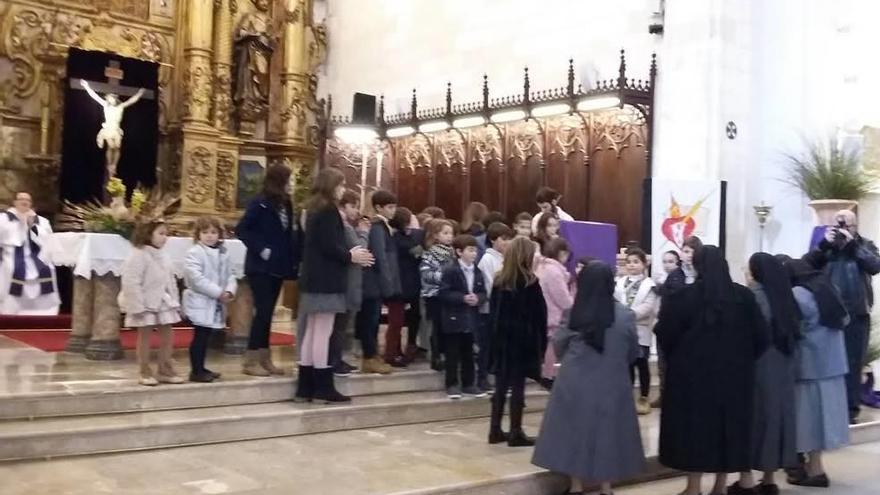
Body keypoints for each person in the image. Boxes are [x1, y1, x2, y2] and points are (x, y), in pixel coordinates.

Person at [655, 246, 770, 495]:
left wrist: (682, 360)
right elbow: (762, 337)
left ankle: (693, 487)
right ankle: (720, 485)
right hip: (735, 378)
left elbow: (665, 334)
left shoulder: (684, 297)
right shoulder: (744, 297)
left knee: (694, 431)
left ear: (696, 265)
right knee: (727, 431)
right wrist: (743, 361)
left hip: (693, 379)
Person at [533, 261, 646, 495]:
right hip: (612, 381)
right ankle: (606, 488)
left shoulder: (574, 312)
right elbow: (633, 353)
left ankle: (575, 486)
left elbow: (559, 344)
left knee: (574, 431)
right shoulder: (625, 315)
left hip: (575, 380)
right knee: (607, 433)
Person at [298, 169, 375, 402]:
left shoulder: (312, 208)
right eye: (340, 185)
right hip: (327, 280)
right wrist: (352, 256)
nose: (342, 189)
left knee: (312, 332)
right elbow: (330, 246)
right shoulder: (329, 210)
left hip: (313, 278)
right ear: (331, 185)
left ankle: (305, 387)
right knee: (322, 332)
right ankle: (323, 386)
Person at [727, 253, 800, 495]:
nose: (745, 274)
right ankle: (769, 480)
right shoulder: (785, 297)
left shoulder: (753, 297)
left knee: (753, 420)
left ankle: (746, 479)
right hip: (784, 366)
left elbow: (741, 334)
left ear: (756, 272)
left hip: (758, 366)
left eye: (747, 269)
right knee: (776, 420)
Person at [803, 209, 880, 424]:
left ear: (856, 226)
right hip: (829, 312)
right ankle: (828, 410)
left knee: (853, 363)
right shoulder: (826, 246)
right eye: (840, 224)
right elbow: (806, 265)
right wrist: (824, 245)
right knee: (828, 363)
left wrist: (852, 244)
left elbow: (875, 265)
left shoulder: (865, 245)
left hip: (857, 313)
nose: (843, 229)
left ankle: (849, 411)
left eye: (848, 225)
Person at [784, 259, 850, 488]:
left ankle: (815, 469)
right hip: (833, 365)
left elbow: (793, 329)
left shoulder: (797, 294)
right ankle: (816, 467)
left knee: (809, 423)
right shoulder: (831, 288)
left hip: (810, 366)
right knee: (824, 421)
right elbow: (845, 318)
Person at [236, 163, 301, 377]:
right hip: (260, 266)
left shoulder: (287, 204)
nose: (292, 184)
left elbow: (287, 234)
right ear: (279, 181)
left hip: (278, 266)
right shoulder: (260, 203)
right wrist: (261, 248)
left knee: (268, 314)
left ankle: (265, 358)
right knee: (262, 313)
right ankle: (251, 359)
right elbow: (242, 229)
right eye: (289, 180)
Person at [488, 237, 548, 447]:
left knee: (501, 387)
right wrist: (541, 346)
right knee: (518, 388)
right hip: (523, 343)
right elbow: (540, 316)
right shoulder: (530, 283)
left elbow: (493, 315)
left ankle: (494, 429)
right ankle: (515, 431)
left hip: (502, 341)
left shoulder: (499, 281)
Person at [119, 220, 183, 386]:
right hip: (145, 301)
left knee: (168, 334)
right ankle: (144, 370)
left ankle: (165, 367)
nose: (165, 238)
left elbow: (170, 280)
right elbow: (131, 281)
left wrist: (174, 300)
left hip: (163, 300)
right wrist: (136, 305)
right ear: (148, 234)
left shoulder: (164, 255)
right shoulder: (138, 254)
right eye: (161, 234)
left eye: (166, 234)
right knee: (145, 336)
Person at [182, 216, 238, 383]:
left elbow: (231, 274)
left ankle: (202, 367)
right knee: (200, 336)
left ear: (219, 234)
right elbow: (196, 278)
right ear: (197, 234)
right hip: (200, 300)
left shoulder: (223, 253)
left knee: (206, 337)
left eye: (213, 232)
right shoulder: (194, 252)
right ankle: (196, 371)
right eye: (205, 232)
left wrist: (229, 290)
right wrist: (217, 292)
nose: (209, 236)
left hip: (215, 302)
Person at [438, 234, 488, 399]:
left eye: (475, 250)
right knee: (453, 353)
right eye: (470, 250)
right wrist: (462, 298)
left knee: (468, 352)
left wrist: (478, 299)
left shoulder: (478, 271)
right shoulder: (450, 270)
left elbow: (483, 292)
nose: (474, 254)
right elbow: (444, 293)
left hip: (470, 318)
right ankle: (452, 384)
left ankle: (468, 383)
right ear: (459, 252)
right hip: (453, 317)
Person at [357, 190, 400, 374]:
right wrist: (387, 282)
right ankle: (369, 356)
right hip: (372, 281)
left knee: (373, 319)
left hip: (377, 281)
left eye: (394, 207)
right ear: (378, 207)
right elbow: (380, 256)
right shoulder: (376, 227)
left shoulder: (383, 226)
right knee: (370, 320)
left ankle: (373, 355)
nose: (393, 211)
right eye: (389, 207)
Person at [330, 192, 370, 377]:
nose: (357, 211)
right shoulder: (346, 227)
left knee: (341, 324)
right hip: (347, 281)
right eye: (353, 206)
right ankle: (334, 360)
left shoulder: (344, 226)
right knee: (340, 324)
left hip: (349, 280)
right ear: (344, 206)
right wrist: (363, 232)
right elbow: (360, 251)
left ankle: (336, 358)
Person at [613, 247, 658, 415]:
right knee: (627, 366)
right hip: (622, 329)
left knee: (641, 364)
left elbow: (647, 306)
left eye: (636, 262)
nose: (631, 265)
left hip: (640, 329)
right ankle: (627, 398)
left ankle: (644, 397)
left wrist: (627, 315)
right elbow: (615, 301)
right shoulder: (619, 282)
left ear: (644, 264)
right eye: (629, 262)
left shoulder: (649, 285)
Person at [0, 192, 60, 316]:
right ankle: (11, 311)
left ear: (31, 204)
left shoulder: (41, 221)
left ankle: (44, 312)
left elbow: (47, 240)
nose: (24, 202)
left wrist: (31, 225)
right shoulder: (4, 218)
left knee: (48, 268)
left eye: (27, 200)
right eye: (21, 199)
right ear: (15, 202)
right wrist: (19, 225)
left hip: (37, 256)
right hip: (12, 254)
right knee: (11, 268)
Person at [80, 80, 145, 178]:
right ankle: (110, 166)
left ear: (114, 98)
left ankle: (114, 165)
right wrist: (87, 87)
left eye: (111, 98)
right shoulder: (106, 105)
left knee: (117, 147)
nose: (109, 99)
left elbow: (131, 100)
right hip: (108, 128)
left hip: (116, 129)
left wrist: (139, 94)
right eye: (109, 98)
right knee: (111, 147)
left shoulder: (121, 107)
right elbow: (95, 97)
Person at [477, 222, 514, 392]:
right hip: (489, 310)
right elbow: (490, 285)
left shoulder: (506, 258)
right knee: (486, 346)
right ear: (493, 240)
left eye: (509, 239)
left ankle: (502, 376)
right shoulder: (487, 259)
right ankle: (482, 378)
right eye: (503, 239)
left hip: (504, 309)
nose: (507, 242)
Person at [386, 207, 424, 366]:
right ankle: (392, 353)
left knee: (403, 319)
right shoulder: (399, 240)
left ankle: (399, 350)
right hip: (400, 286)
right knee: (396, 321)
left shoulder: (400, 238)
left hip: (408, 285)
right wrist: (416, 227)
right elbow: (417, 250)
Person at [535, 237, 574, 386]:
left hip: (544, 310)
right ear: (562, 253)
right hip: (553, 312)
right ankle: (548, 375)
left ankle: (547, 374)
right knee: (552, 345)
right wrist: (572, 307)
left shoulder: (543, 266)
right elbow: (561, 297)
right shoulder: (554, 270)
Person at [421, 219, 456, 371]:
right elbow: (426, 274)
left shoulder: (453, 253)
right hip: (434, 295)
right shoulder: (430, 254)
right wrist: (445, 276)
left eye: (451, 233)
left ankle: (447, 355)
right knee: (436, 326)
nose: (449, 236)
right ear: (436, 235)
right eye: (445, 233)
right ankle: (436, 356)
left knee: (447, 326)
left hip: (449, 295)